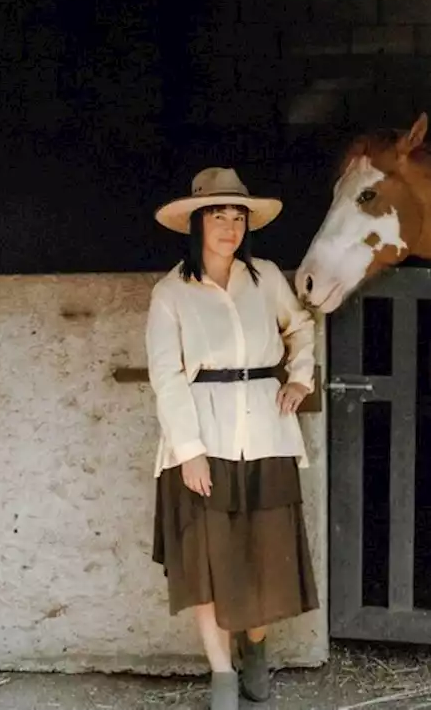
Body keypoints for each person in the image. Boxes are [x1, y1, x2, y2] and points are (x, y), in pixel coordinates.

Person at [145, 166, 318, 710]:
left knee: (264, 559)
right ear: (196, 222)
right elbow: (166, 376)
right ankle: (221, 676)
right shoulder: (171, 293)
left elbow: (301, 326)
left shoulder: (265, 277)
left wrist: (299, 377)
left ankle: (256, 651)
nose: (229, 225)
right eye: (217, 214)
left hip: (267, 437)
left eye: (238, 215)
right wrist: (189, 453)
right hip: (202, 440)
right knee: (208, 563)